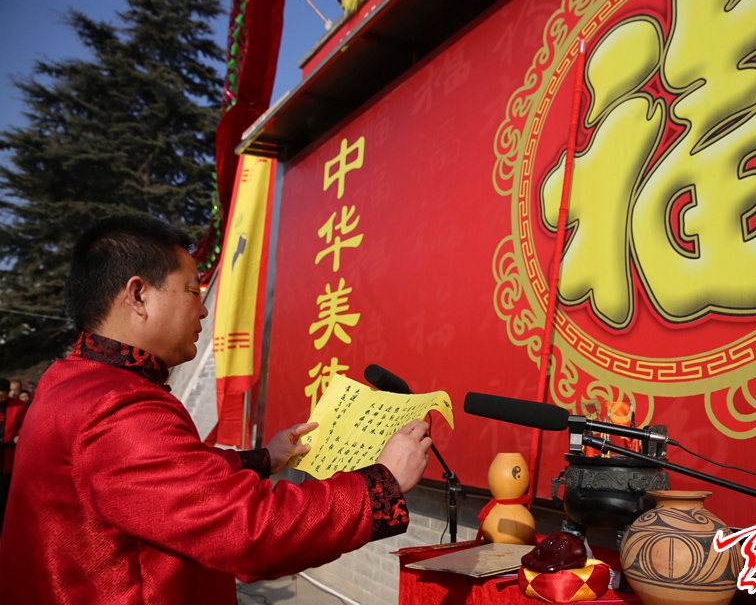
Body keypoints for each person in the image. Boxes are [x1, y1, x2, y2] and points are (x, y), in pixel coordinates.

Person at [0, 215, 432, 604]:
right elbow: (250, 531)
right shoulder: (117, 407)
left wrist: (265, 459)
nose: (204, 309)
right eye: (193, 291)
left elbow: (175, 475)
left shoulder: (72, 380)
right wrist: (381, 483)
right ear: (138, 295)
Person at [0, 377, 26, 534]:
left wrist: (18, 435)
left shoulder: (18, 406)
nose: (2, 397)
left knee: (5, 491)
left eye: (4, 394)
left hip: (8, 454)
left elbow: (24, 426)